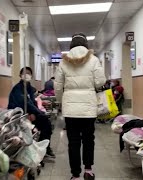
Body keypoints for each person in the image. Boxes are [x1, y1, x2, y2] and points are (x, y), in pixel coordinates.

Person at [54, 33, 106, 180]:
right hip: (88, 108)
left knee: (73, 141)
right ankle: (88, 170)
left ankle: (75, 175)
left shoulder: (63, 62)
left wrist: (61, 101)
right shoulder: (94, 60)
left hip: (70, 108)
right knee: (89, 139)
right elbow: (100, 82)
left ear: (71, 45)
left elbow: (58, 86)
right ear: (85, 44)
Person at [8, 67, 55, 158]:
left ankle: (43, 147)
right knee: (44, 121)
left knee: (46, 123)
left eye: (29, 73)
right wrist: (34, 113)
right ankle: (43, 147)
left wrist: (36, 113)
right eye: (24, 73)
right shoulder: (17, 89)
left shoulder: (29, 88)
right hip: (18, 115)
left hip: (28, 113)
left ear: (31, 76)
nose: (27, 75)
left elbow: (32, 102)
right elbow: (23, 103)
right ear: (20, 75)